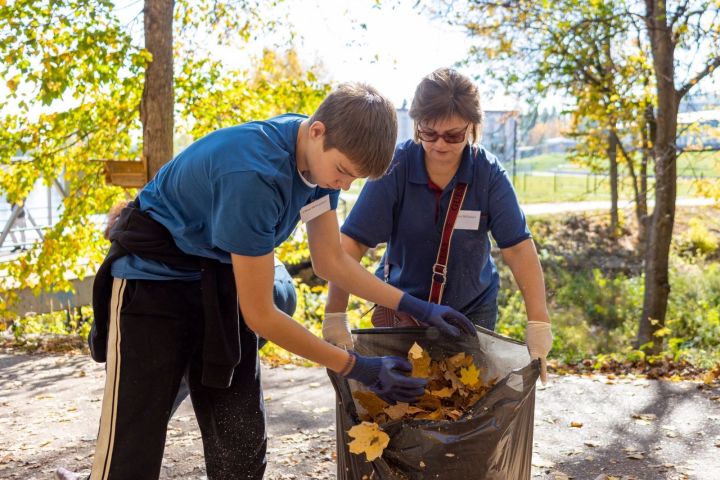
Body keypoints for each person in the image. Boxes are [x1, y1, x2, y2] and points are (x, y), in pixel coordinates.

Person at [59, 83, 475, 480]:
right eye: (344, 173)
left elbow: (330, 260)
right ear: (317, 131)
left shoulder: (317, 161)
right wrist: (357, 367)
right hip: (151, 286)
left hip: (218, 279)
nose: (343, 187)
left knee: (240, 443)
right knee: (133, 444)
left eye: (353, 181)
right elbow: (260, 314)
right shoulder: (253, 175)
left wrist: (414, 306)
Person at [323, 69, 553, 383]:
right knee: (401, 398)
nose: (439, 144)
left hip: (471, 311)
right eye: (428, 133)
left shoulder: (488, 174)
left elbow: (517, 249)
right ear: (416, 124)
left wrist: (538, 322)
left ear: (472, 126)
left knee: (463, 397)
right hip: (402, 309)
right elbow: (350, 245)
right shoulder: (397, 166)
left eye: (453, 135)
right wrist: (336, 314)